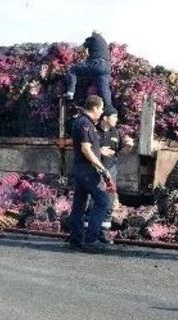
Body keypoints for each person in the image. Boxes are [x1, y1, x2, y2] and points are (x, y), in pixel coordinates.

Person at [68, 94, 114, 253]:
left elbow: (88, 147)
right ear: (94, 107)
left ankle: (75, 239)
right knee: (102, 202)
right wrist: (102, 167)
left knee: (79, 205)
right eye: (101, 109)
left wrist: (99, 150)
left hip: (80, 170)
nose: (102, 112)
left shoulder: (81, 122)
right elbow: (86, 149)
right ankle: (91, 240)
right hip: (88, 171)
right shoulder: (85, 124)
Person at [96, 107, 134, 243]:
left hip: (111, 170)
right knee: (93, 201)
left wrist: (128, 147)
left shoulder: (116, 133)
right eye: (114, 117)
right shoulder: (94, 131)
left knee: (109, 201)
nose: (116, 120)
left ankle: (104, 231)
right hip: (95, 171)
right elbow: (85, 149)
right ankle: (89, 231)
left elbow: (121, 152)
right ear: (105, 117)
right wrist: (99, 151)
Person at [64, 31, 114, 112]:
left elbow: (80, 49)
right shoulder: (104, 42)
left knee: (73, 70)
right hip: (107, 67)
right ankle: (110, 111)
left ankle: (70, 92)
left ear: (93, 34)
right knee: (105, 91)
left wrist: (74, 50)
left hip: (97, 64)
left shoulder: (92, 38)